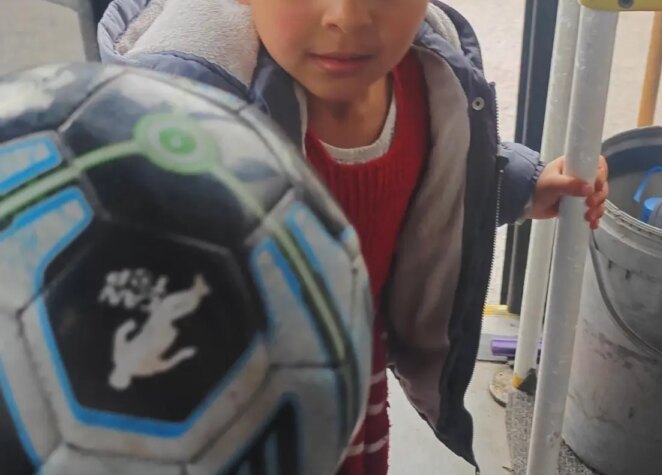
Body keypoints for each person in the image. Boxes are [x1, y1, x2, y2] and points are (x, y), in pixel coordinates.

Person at [97, 1, 608, 473]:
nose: (347, 17)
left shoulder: (429, 79)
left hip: (355, 372)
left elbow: (448, 181)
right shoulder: (186, 119)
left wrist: (522, 185)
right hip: (234, 412)